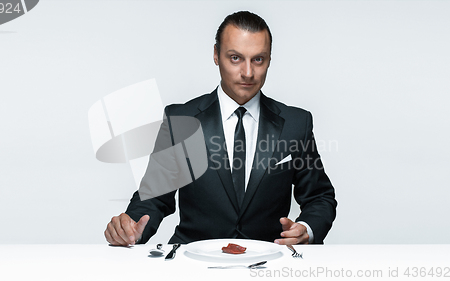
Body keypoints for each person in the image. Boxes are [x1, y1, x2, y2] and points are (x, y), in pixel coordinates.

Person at [105, 11, 336, 246]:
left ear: (269, 59)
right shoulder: (180, 120)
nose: (248, 72)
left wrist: (307, 229)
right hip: (193, 263)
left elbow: (320, 197)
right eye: (235, 58)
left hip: (268, 261)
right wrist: (130, 227)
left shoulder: (297, 123)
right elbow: (153, 197)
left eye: (258, 59)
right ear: (216, 55)